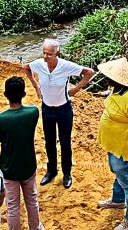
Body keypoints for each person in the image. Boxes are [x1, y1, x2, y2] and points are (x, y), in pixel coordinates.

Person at [25, 39, 95, 189]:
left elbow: (89, 73)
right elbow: (26, 68)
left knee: (65, 142)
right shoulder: (39, 64)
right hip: (47, 108)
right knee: (49, 141)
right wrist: (36, 86)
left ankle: (67, 173)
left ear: (57, 53)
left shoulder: (66, 66)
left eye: (49, 54)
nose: (45, 57)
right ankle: (51, 171)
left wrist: (75, 89)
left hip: (64, 109)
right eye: (44, 53)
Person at [0, 76, 43, 230]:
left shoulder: (0, 119)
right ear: (24, 94)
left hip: (9, 167)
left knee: (12, 206)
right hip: (28, 164)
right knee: (32, 199)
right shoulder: (33, 112)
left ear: (5, 95)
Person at [95, 57, 128, 230]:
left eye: (108, 76)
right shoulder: (116, 90)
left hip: (125, 147)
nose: (105, 78)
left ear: (117, 79)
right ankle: (118, 199)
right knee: (119, 173)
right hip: (114, 144)